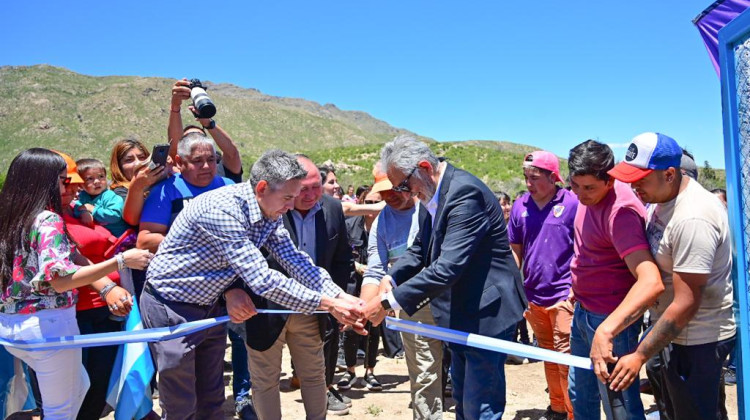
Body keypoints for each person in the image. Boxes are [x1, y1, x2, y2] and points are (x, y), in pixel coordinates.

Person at [140, 149, 366, 420]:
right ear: (262, 188)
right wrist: (329, 304)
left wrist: (341, 296)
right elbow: (263, 280)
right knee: (181, 402)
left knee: (211, 398)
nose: (292, 206)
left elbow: (296, 260)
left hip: (209, 304)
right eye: (287, 198)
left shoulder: (269, 211)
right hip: (172, 306)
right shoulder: (223, 211)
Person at [362, 135, 527, 420]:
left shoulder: (464, 194)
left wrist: (389, 301)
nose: (406, 193)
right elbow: (420, 249)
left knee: (481, 406)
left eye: (404, 184)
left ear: (424, 168)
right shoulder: (432, 194)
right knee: (464, 399)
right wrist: (393, 276)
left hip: (487, 312)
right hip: (460, 311)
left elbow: (448, 266)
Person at [0, 148, 151, 420]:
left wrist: (106, 287)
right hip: (49, 325)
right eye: (63, 179)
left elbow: (72, 259)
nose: (70, 186)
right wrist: (121, 261)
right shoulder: (48, 220)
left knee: (79, 387)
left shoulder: (11, 218)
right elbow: (59, 281)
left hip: (12, 328)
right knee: (62, 412)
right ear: (43, 181)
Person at [607, 132, 736, 420]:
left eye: (641, 178)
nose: (633, 185)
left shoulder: (693, 217)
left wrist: (639, 355)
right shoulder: (662, 198)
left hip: (697, 342)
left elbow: (686, 303)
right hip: (673, 336)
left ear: (669, 174)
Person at [232, 155, 355, 418]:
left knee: (314, 375)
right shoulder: (267, 211)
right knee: (265, 381)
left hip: (312, 312)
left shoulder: (332, 209)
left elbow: (340, 260)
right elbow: (257, 272)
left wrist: (340, 300)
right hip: (266, 310)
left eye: (316, 187)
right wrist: (332, 302)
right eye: (303, 189)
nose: (310, 195)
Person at [565, 140, 663, 420]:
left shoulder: (621, 213)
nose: (581, 195)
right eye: (575, 186)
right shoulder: (589, 196)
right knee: (581, 396)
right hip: (583, 311)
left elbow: (650, 281)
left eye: (589, 188)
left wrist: (606, 330)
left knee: (619, 406)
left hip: (611, 321)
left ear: (609, 180)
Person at [360, 166, 446, 420]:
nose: (389, 196)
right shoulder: (381, 223)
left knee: (461, 369)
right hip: (411, 305)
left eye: (393, 189)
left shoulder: (430, 209)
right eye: (382, 193)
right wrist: (364, 309)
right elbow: (375, 271)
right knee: (423, 371)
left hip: (448, 297)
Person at [508, 151, 578, 420]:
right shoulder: (520, 206)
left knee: (566, 358)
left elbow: (584, 247)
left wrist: (575, 290)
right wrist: (515, 288)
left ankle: (573, 412)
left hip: (564, 295)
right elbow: (515, 250)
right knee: (549, 355)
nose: (529, 183)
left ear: (553, 177)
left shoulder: (571, 203)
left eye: (534, 178)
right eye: (526, 177)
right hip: (534, 296)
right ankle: (557, 407)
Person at [137, 132, 234, 253]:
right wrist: (197, 242)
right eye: (197, 161)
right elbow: (145, 241)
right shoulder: (164, 192)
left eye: (211, 159)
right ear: (179, 161)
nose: (206, 166)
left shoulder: (229, 187)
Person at [168, 78, 243, 183]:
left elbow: (232, 154)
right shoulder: (179, 177)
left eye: (200, 137)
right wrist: (175, 106)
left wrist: (208, 123)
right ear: (180, 162)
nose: (197, 142)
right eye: (188, 140)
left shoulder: (223, 175)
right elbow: (174, 150)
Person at [109, 137, 167, 228]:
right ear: (119, 167)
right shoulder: (119, 192)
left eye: (142, 157)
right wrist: (137, 185)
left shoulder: (160, 182)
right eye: (129, 160)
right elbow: (133, 220)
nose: (138, 163)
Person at [72, 158, 128, 237]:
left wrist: (93, 209)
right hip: (100, 237)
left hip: (120, 238)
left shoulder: (111, 196)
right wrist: (84, 212)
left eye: (101, 176)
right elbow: (76, 209)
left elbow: (115, 216)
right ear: (81, 185)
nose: (97, 181)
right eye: (90, 179)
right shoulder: (83, 196)